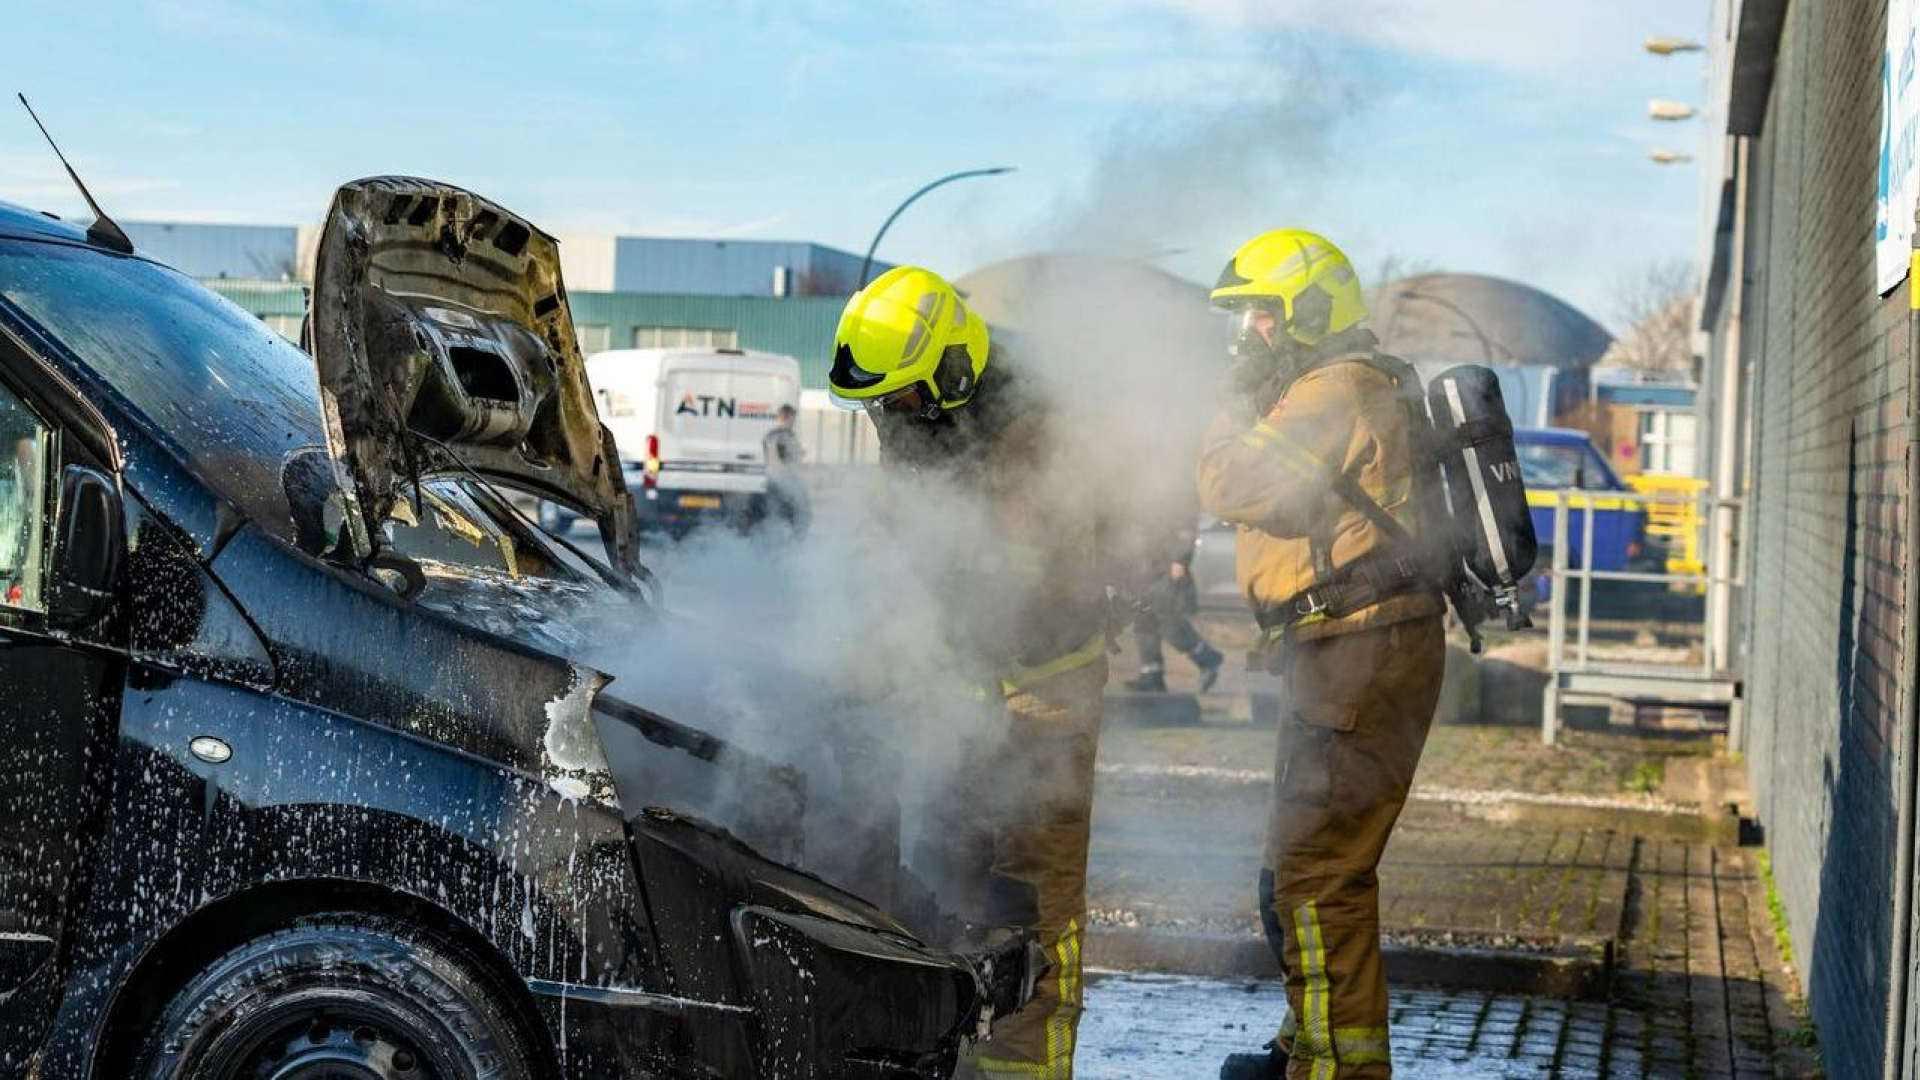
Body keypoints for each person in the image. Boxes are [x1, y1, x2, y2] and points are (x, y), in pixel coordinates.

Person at [829, 265, 1107, 1080]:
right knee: (949, 885)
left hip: (1043, 690)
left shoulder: (1037, 429)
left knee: (1031, 900)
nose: (893, 418)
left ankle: (1028, 1070)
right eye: (881, 405)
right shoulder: (918, 414)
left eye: (904, 399)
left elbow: (1020, 581)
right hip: (966, 689)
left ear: (954, 370)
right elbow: (906, 537)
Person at [1198, 230, 1447, 1080]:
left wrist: (1226, 402)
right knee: (1295, 868)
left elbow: (1231, 483)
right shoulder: (1344, 383)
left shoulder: (1334, 388)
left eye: (1260, 316)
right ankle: (1304, 1047)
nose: (1247, 335)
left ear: (1310, 312)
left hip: (1359, 653)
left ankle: (1342, 1069)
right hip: (1343, 650)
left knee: (1319, 875)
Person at [1122, 503, 1224, 693]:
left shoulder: (1176, 490)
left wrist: (1181, 560)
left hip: (1167, 564)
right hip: (1147, 564)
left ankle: (1207, 658)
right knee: (1143, 618)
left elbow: (1186, 523)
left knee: (1166, 619)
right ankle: (1152, 674)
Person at [761, 403, 810, 534]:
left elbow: (767, 456)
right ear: (787, 417)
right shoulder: (786, 436)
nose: (794, 422)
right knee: (798, 517)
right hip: (785, 483)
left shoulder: (769, 435)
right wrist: (798, 454)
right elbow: (784, 458)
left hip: (770, 480)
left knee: (773, 516)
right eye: (792, 418)